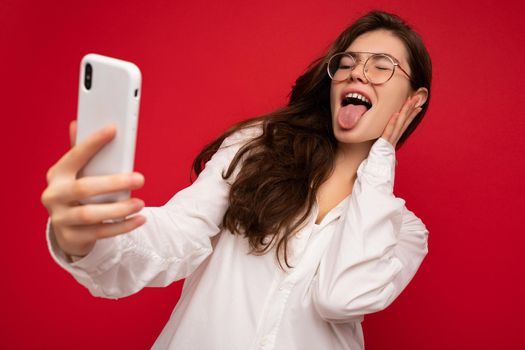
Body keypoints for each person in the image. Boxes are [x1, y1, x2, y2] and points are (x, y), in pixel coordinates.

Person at [41, 10, 431, 350]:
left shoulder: (404, 233)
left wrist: (381, 158)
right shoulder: (260, 147)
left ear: (414, 100)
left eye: (381, 66)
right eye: (346, 64)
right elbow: (178, 234)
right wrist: (93, 237)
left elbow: (341, 298)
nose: (358, 73)